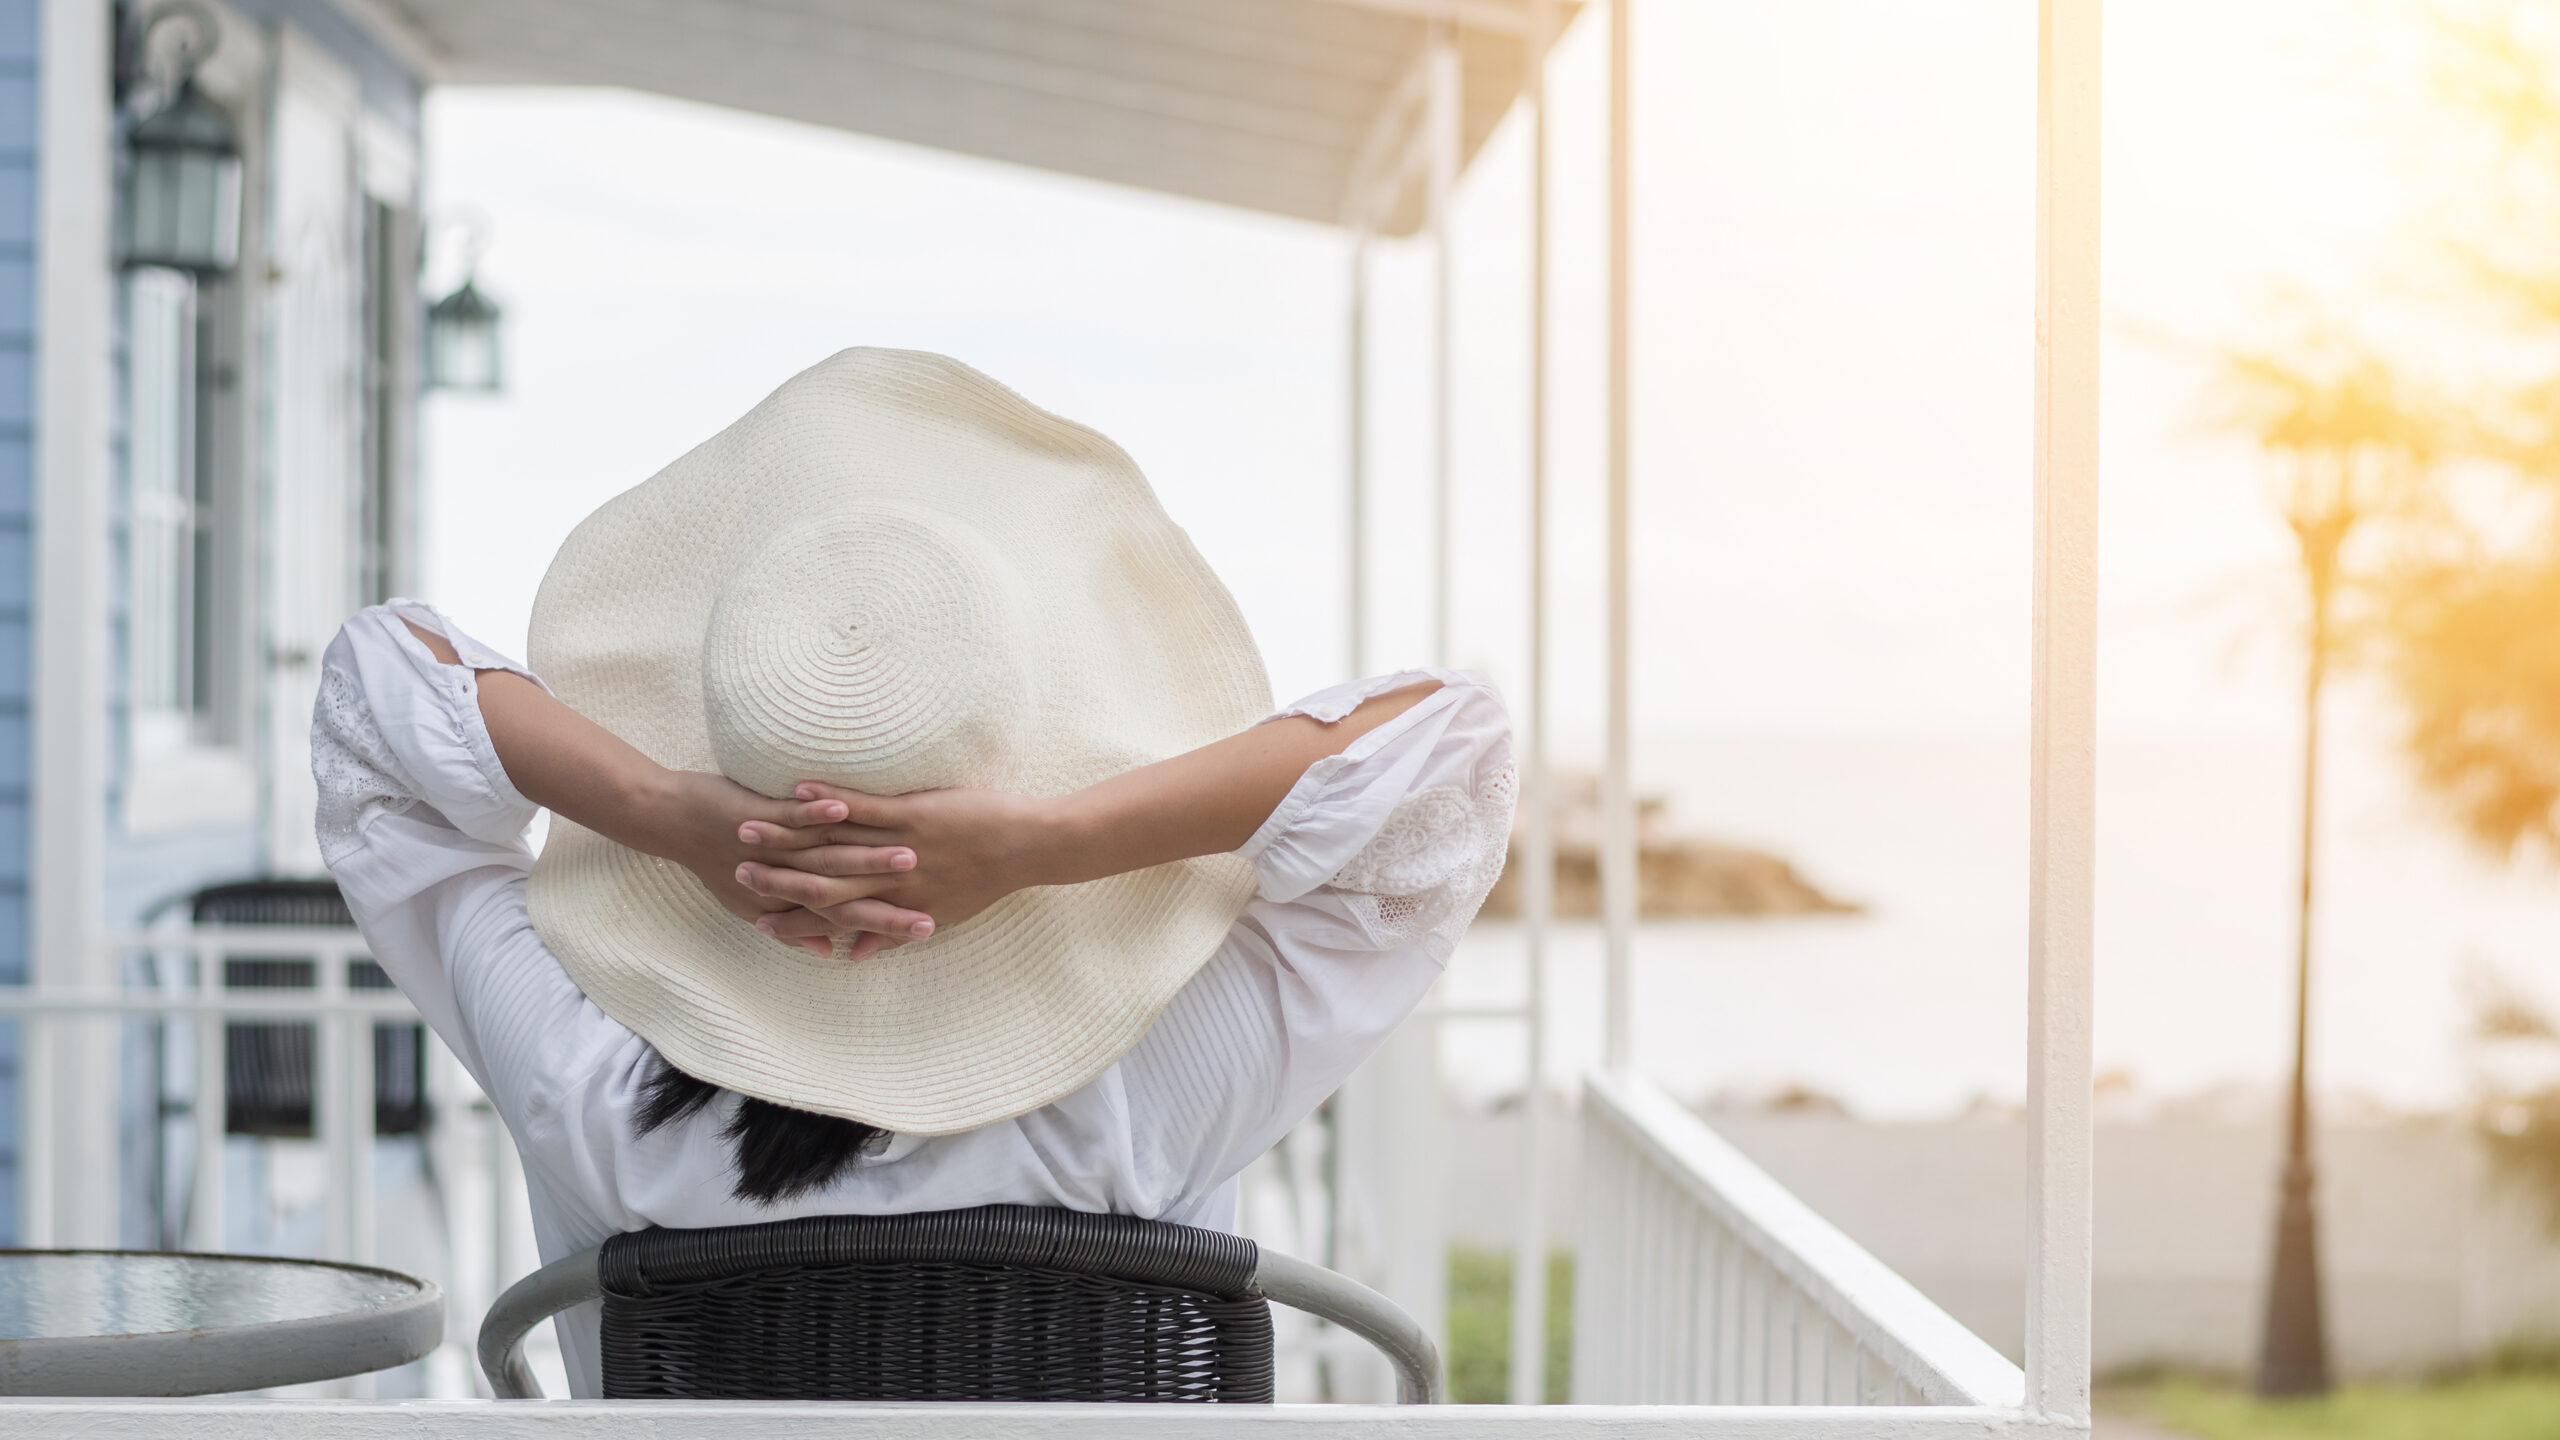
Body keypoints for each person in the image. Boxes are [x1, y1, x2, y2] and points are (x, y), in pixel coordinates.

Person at [313, 349, 1514, 1395]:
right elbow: (1452, 752)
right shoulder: (1144, 1094)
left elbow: (375, 694)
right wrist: (1046, 842)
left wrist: (668, 814)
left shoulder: (597, 1092)